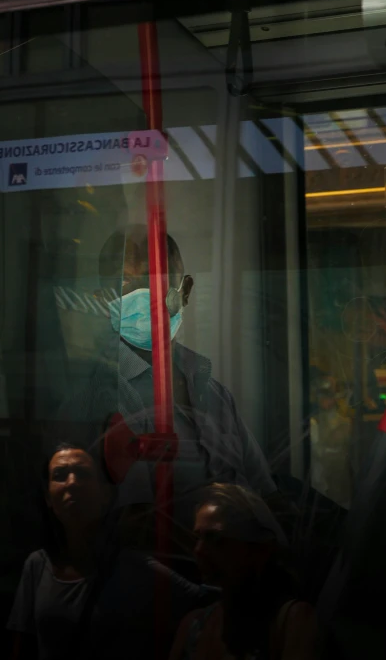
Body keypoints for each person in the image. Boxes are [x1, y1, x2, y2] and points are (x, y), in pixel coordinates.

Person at [61, 224, 277, 543]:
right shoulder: (98, 400)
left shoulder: (215, 394)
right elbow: (134, 528)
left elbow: (265, 493)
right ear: (102, 300)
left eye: (155, 279)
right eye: (124, 282)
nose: (143, 294)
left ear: (185, 290)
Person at [8, 437, 216, 660]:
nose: (71, 482)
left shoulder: (136, 569)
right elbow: (22, 646)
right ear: (48, 497)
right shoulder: (38, 566)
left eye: (83, 473)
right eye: (59, 475)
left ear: (106, 494)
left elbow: (209, 604)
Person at [169, 484, 317, 660]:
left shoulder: (293, 621)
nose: (198, 550)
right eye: (197, 538)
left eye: (215, 539)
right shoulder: (193, 624)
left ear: (260, 549)